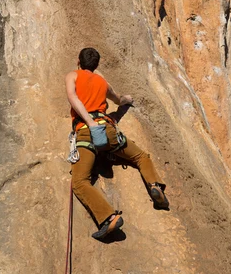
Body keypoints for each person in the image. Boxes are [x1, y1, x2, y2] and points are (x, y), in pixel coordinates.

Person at [65, 47, 169, 240]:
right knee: (140, 157)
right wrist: (127, 100)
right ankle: (155, 186)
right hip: (108, 130)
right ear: (96, 66)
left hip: (86, 133)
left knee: (80, 182)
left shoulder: (73, 75)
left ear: (78, 61)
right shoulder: (102, 82)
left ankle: (109, 217)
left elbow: (73, 98)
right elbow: (119, 99)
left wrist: (89, 121)